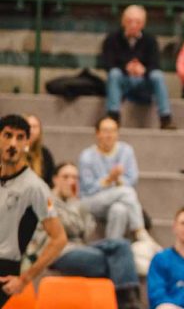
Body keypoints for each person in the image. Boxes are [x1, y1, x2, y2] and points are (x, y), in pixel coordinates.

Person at [27, 163, 142, 309]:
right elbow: (72, 226)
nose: (71, 181)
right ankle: (128, 304)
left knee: (121, 245)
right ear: (55, 179)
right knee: (112, 261)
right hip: (58, 252)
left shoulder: (76, 203)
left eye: (75, 177)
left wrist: (75, 207)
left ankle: (127, 303)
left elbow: (88, 230)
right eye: (65, 177)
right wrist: (75, 205)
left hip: (80, 247)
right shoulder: (47, 200)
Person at [0, 114, 67, 306]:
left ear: (27, 143)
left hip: (5, 267)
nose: (13, 143)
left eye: (20, 137)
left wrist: (24, 279)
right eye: (8, 135)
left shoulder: (35, 187)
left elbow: (59, 238)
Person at [78, 117, 156, 243]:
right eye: (105, 131)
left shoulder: (126, 151)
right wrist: (109, 179)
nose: (109, 135)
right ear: (97, 134)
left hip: (118, 199)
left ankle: (112, 247)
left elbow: (132, 180)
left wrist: (118, 180)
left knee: (119, 210)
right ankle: (139, 229)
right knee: (126, 192)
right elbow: (88, 188)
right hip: (91, 201)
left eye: (113, 131)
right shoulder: (87, 156)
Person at [102, 4, 175, 129]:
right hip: (123, 82)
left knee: (157, 75)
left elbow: (155, 64)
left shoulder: (150, 40)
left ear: (143, 24)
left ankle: (165, 118)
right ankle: (113, 116)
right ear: (123, 21)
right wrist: (126, 68)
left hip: (144, 82)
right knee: (114, 74)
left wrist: (143, 70)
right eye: (130, 21)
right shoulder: (112, 39)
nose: (133, 25)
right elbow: (107, 64)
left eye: (137, 22)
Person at [24, 114, 55, 187]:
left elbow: (50, 180)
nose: (31, 130)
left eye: (34, 127)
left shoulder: (45, 153)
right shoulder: (15, 151)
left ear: (40, 131)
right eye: (28, 126)